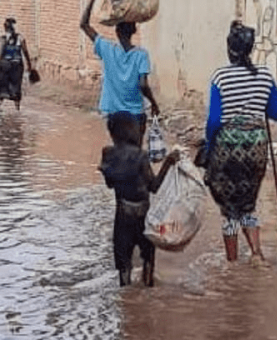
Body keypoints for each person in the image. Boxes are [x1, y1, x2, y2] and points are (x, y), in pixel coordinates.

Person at [203, 21, 277, 266]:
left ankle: (231, 264)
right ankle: (257, 254)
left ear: (230, 49)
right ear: (250, 49)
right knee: (248, 203)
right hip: (257, 148)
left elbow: (214, 121)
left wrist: (208, 147)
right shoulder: (264, 75)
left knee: (229, 207)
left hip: (227, 149)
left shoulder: (220, 76)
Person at [99, 112, 180, 287]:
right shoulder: (140, 156)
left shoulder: (107, 154)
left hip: (122, 215)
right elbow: (154, 186)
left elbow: (109, 184)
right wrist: (168, 162)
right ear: (132, 131)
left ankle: (127, 304)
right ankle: (147, 302)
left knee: (124, 267)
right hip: (143, 216)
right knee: (148, 262)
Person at [80, 0, 160, 147]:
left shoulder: (107, 49)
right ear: (134, 30)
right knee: (135, 154)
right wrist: (154, 104)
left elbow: (84, 25)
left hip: (114, 114)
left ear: (117, 31)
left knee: (120, 151)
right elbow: (143, 84)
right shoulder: (141, 55)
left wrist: (91, 2)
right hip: (135, 114)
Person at [0, 17, 33, 112]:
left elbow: (0, 52)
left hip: (5, 64)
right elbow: (25, 51)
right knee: (16, 85)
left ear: (5, 27)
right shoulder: (20, 38)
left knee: (2, 84)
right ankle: (17, 108)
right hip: (17, 65)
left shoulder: (3, 38)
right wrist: (29, 64)